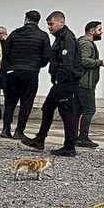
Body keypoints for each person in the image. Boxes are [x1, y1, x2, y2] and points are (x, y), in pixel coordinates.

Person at [21, 11, 83, 157]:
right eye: (48, 24)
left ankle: (69, 146)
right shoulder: (60, 37)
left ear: (61, 22)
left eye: (51, 24)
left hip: (66, 82)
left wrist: (58, 79)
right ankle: (40, 140)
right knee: (47, 108)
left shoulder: (67, 38)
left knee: (67, 113)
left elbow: (67, 64)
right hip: (60, 82)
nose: (49, 27)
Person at [0, 11, 51, 138]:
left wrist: (11, 65)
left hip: (13, 72)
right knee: (26, 102)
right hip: (31, 72)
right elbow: (46, 56)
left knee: (10, 102)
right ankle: (19, 131)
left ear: (26, 19)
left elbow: (5, 52)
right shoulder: (42, 35)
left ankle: (6, 130)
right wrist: (37, 65)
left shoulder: (15, 33)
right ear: (38, 21)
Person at [75, 21, 104, 148]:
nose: (101, 32)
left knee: (78, 110)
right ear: (92, 31)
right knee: (89, 110)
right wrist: (100, 62)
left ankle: (74, 137)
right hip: (85, 83)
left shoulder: (84, 42)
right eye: (99, 29)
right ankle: (83, 138)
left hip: (81, 83)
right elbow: (83, 60)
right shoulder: (86, 44)